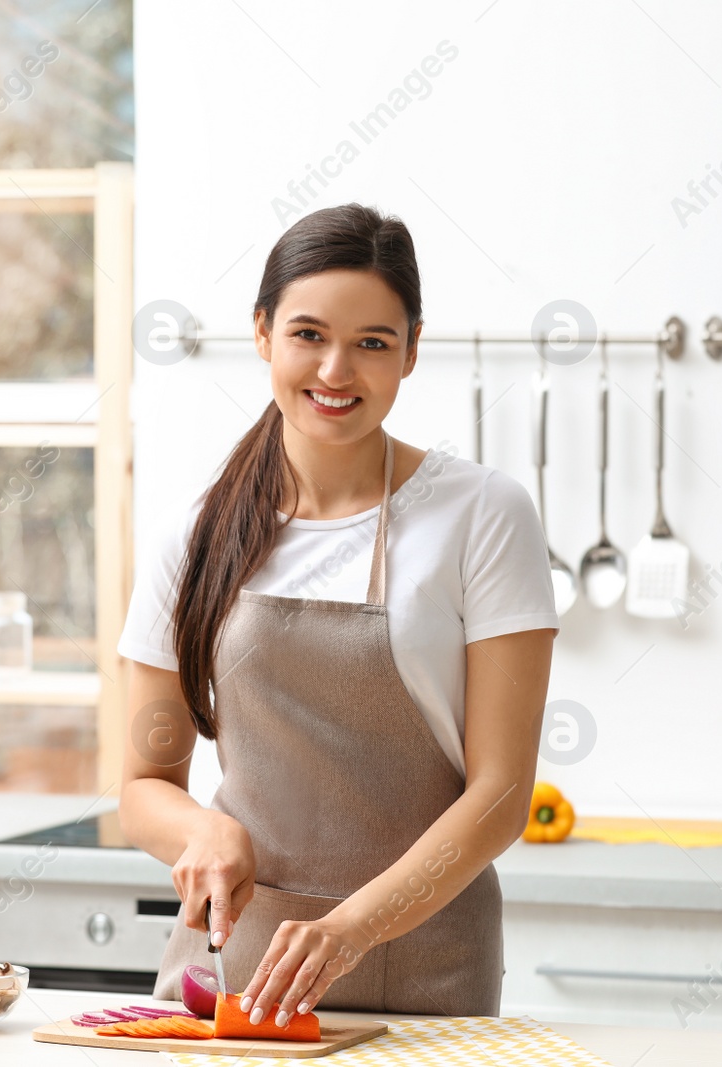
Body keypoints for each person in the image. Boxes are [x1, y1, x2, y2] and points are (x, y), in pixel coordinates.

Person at [116, 203, 557, 1026]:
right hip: (238, 966)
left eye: (373, 343)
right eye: (309, 334)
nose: (336, 369)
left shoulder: (483, 513)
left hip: (429, 964)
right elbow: (144, 784)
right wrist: (202, 834)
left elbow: (502, 792)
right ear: (262, 333)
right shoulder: (197, 533)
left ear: (412, 352)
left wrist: (351, 928)